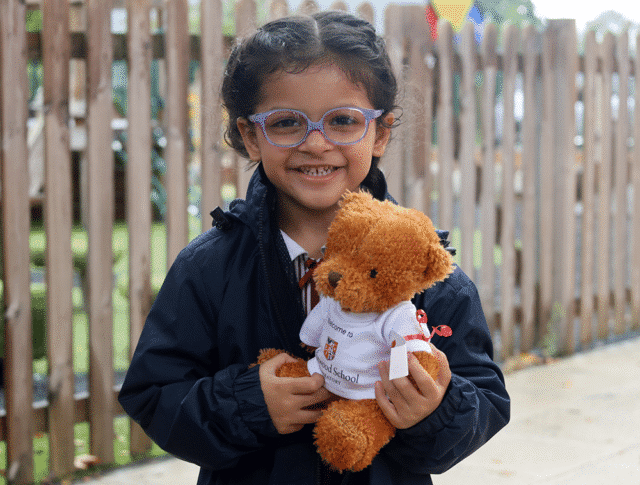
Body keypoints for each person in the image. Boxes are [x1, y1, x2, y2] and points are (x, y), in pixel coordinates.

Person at [118, 11, 510, 485]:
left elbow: (485, 399)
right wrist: (246, 403)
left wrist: (435, 411)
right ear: (250, 136)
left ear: (380, 133)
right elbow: (155, 393)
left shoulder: (424, 271)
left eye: (343, 120)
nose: (316, 143)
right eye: (286, 123)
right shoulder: (210, 267)